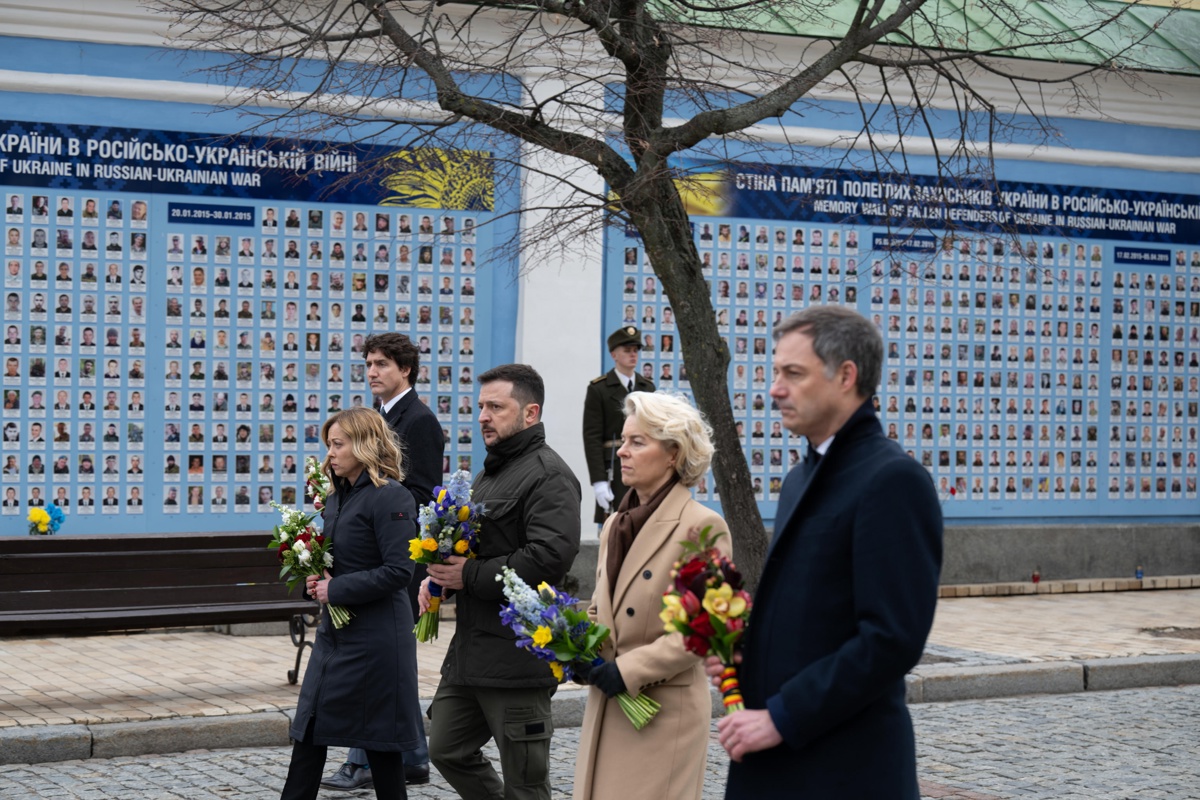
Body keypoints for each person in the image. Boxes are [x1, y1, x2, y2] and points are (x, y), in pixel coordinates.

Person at [708, 306, 942, 798]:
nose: (775, 388)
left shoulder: (892, 480)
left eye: (793, 373)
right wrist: (740, 656)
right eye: (775, 372)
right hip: (778, 764)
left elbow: (890, 639)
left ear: (846, 376)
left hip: (843, 770)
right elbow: (812, 615)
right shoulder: (801, 477)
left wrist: (782, 716)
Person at [417, 364, 581, 800]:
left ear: (531, 413)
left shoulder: (549, 475)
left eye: (495, 407)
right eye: (480, 406)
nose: (483, 416)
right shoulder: (492, 472)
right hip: (471, 653)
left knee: (526, 784)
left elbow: (550, 556)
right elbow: (479, 545)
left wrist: (467, 575)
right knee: (446, 749)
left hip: (517, 657)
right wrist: (441, 579)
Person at [572, 391, 729, 800]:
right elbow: (599, 608)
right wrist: (577, 649)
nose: (622, 451)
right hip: (607, 706)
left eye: (637, 442)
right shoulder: (613, 526)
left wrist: (628, 670)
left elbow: (705, 628)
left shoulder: (703, 526)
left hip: (661, 714)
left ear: (674, 453)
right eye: (622, 441)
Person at [321, 333, 445, 792]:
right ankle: (410, 755)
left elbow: (422, 493)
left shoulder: (420, 421)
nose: (372, 371)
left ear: (406, 369)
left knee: (378, 665)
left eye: (382, 364)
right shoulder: (375, 418)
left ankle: (363, 761)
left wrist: (367, 498)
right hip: (364, 556)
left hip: (395, 558)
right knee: (387, 667)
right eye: (369, 363)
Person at [282, 407, 420, 800]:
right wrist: (315, 580)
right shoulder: (336, 497)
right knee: (308, 729)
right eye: (328, 445)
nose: (330, 454)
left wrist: (336, 589)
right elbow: (338, 563)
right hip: (336, 635)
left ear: (364, 446)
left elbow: (399, 572)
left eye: (338, 445)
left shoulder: (392, 496)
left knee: (381, 745)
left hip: (377, 642)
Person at [583, 326, 655, 523]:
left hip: (643, 464)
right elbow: (592, 437)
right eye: (627, 350)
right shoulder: (599, 389)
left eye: (635, 350)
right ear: (614, 354)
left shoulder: (647, 387)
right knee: (616, 525)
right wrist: (598, 481)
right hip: (613, 467)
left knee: (644, 522)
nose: (633, 355)